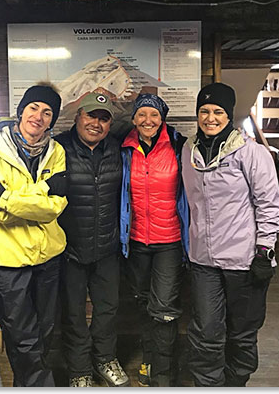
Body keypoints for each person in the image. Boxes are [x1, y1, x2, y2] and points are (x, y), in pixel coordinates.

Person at [181, 82, 279, 387]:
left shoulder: (251, 153)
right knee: (206, 330)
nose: (210, 117)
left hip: (244, 261)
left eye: (218, 112)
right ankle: (208, 385)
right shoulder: (188, 151)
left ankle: (236, 384)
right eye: (204, 111)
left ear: (229, 115)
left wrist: (265, 250)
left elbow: (268, 203)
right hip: (203, 261)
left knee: (242, 331)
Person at [0, 83, 69, 387]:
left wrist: (6, 198)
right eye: (33, 108)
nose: (38, 117)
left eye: (47, 112)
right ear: (21, 111)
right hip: (6, 259)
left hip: (47, 256)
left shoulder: (57, 152)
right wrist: (41, 191)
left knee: (43, 331)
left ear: (52, 121)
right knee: (22, 336)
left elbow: (53, 208)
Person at [54, 92, 129, 388]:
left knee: (107, 311)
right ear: (78, 116)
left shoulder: (118, 148)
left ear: (110, 124)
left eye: (103, 118)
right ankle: (79, 370)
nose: (96, 123)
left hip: (108, 247)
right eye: (91, 115)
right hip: (69, 248)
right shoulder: (58, 147)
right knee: (73, 314)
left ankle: (105, 360)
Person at [119, 93, 190, 387]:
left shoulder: (178, 146)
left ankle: (163, 375)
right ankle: (149, 363)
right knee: (143, 304)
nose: (148, 121)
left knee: (164, 310)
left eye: (154, 115)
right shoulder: (123, 148)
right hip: (135, 241)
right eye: (142, 115)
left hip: (169, 241)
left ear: (163, 119)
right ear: (134, 119)